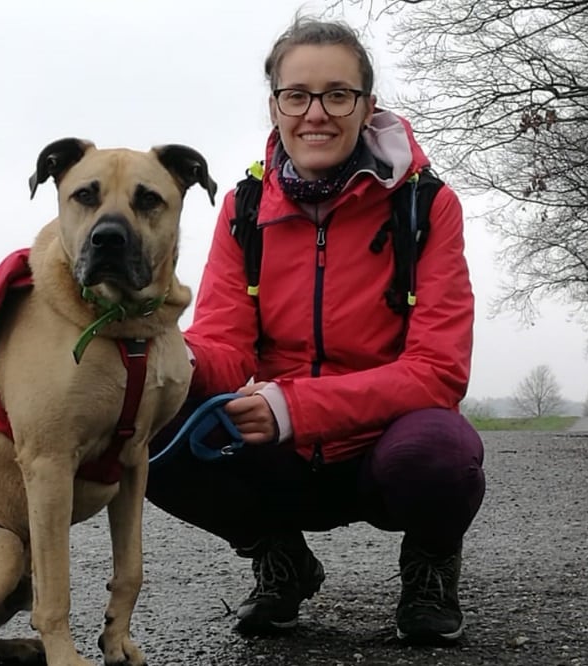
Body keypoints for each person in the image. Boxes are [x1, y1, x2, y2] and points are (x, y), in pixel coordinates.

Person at [145, 15, 486, 645]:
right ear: (274, 106)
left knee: (441, 453)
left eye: (337, 95)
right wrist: (166, 357)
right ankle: (280, 558)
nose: (316, 114)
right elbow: (224, 345)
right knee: (149, 422)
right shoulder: (245, 209)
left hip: (384, 449)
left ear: (366, 106)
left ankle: (431, 568)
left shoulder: (427, 204)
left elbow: (438, 371)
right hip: (282, 460)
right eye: (296, 96)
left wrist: (291, 405)